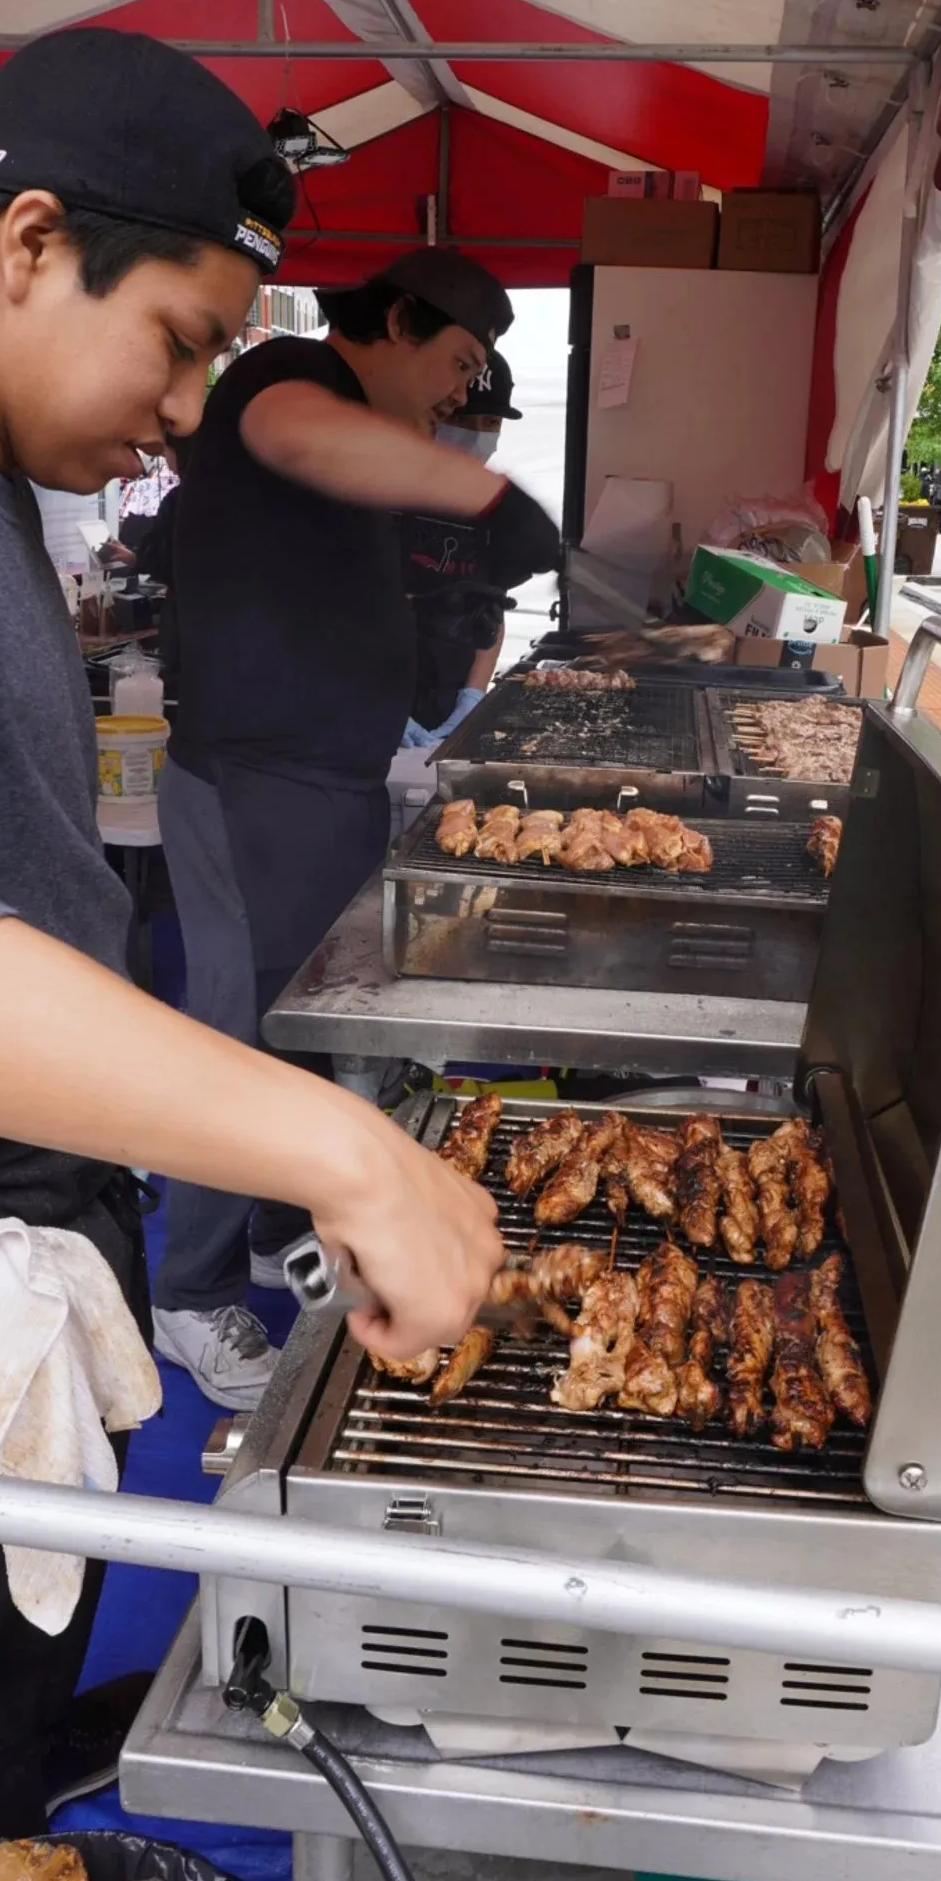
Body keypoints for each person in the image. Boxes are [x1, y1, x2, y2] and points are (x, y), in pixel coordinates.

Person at [0, 30, 502, 1881]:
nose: (198, 406)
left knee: (28, 1618)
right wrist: (342, 1145)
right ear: (30, 243)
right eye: (185, 339)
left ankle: (21, 1774)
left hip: (11, 1197)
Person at [154, 247, 550, 1405]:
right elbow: (297, 437)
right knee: (231, 1035)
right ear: (390, 320)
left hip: (322, 780)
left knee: (297, 1022)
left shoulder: (366, 442)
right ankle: (189, 1291)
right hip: (248, 783)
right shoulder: (281, 377)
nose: (459, 393)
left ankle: (283, 1228)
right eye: (456, 360)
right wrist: (479, 491)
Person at [399, 349, 560, 746]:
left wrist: (471, 699)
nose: (475, 433)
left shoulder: (493, 505)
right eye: (460, 418)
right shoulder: (383, 493)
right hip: (373, 690)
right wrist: (374, 699)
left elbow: (492, 609)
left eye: (489, 422)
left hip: (451, 692)